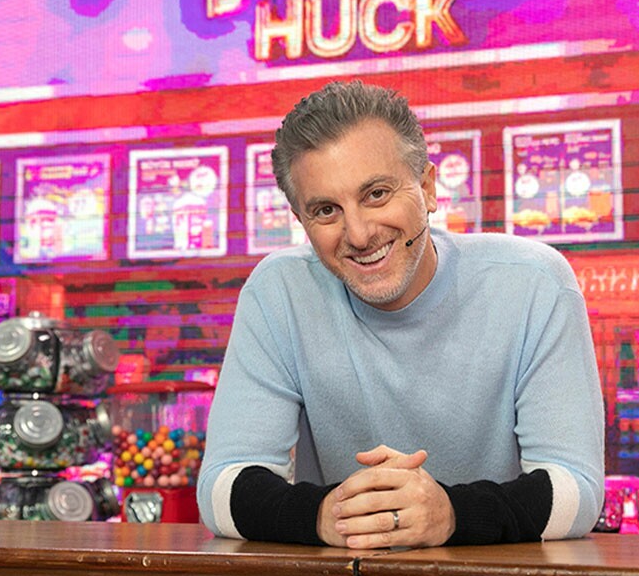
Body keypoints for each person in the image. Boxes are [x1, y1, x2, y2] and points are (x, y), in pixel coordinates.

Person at [196, 80, 605, 548]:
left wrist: (450, 515)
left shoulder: (535, 283)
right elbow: (220, 488)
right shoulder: (278, 292)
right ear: (301, 221)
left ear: (427, 188)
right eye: (326, 210)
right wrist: (326, 515)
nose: (358, 234)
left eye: (376, 194)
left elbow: (577, 489)